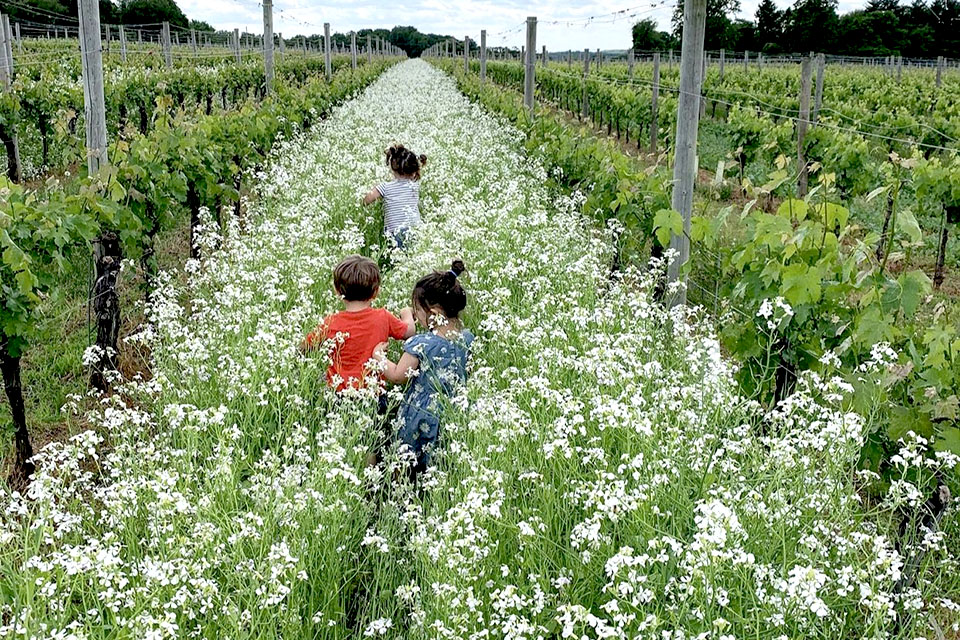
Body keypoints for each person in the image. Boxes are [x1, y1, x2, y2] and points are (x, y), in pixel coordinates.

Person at [376, 260, 473, 480]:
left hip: (420, 415)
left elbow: (398, 375)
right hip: (453, 412)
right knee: (440, 462)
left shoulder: (422, 343)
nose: (417, 316)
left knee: (405, 460)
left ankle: (399, 493)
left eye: (418, 310)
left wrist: (379, 357)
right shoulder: (467, 339)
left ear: (435, 311)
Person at [301, 255, 415, 395]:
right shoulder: (382, 317)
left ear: (337, 291)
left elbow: (304, 348)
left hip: (338, 394)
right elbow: (409, 332)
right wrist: (407, 313)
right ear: (376, 292)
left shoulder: (330, 322)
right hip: (374, 393)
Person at [362, 144, 427, 250]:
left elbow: (366, 200)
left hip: (395, 232)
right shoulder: (414, 185)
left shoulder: (385, 187)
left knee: (399, 260)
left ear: (393, 168)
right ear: (414, 171)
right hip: (415, 228)